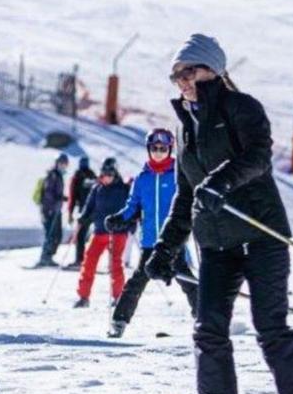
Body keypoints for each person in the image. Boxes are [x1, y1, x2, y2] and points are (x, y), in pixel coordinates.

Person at [145, 33, 293, 394]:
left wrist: (220, 183)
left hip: (261, 235)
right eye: (175, 76)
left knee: (271, 328)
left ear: (212, 69)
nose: (181, 82)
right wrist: (165, 248)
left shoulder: (241, 108)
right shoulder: (184, 128)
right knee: (208, 331)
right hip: (215, 244)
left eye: (187, 72)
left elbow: (259, 156)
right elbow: (186, 195)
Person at [107, 128, 198, 337]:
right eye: (155, 148)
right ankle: (119, 321)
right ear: (149, 149)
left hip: (173, 241)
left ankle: (205, 319)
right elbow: (132, 206)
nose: (159, 152)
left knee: (187, 280)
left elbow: (189, 201)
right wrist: (120, 218)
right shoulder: (142, 179)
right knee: (137, 281)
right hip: (149, 242)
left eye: (163, 148)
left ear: (170, 149)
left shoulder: (179, 175)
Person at [72, 159, 130, 308]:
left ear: (115, 174)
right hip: (99, 232)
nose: (106, 177)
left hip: (118, 232)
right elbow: (89, 207)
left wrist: (130, 222)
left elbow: (131, 208)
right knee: (89, 262)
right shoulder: (97, 189)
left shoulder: (123, 189)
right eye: (104, 174)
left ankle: (118, 297)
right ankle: (83, 297)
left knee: (115, 264)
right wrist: (82, 218)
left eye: (109, 174)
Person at [35, 154, 68, 268]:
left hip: (56, 209)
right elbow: (48, 193)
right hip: (50, 210)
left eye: (65, 164)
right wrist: (56, 201)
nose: (64, 166)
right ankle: (45, 257)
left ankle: (49, 256)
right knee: (51, 234)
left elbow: (55, 193)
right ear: (57, 163)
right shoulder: (53, 175)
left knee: (57, 234)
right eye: (62, 163)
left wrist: (63, 198)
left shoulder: (58, 175)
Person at [66, 156, 95, 268]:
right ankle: (86, 260)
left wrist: (70, 213)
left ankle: (80, 260)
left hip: (84, 210)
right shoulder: (92, 175)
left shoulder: (77, 176)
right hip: (95, 210)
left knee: (80, 235)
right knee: (100, 235)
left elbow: (72, 196)